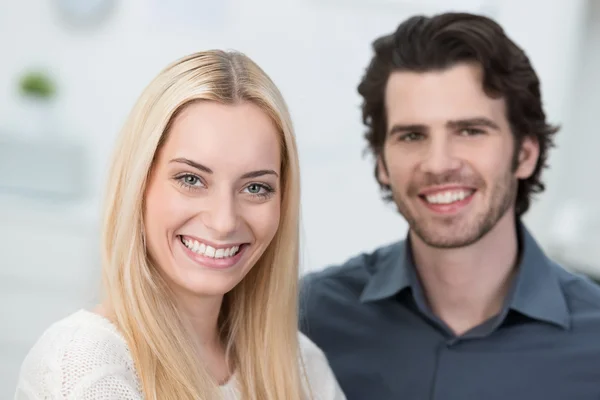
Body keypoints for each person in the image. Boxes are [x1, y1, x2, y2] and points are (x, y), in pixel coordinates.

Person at [299, 11, 600, 400]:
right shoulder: (307, 321)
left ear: (525, 154)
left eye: (470, 131)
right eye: (411, 136)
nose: (439, 163)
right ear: (381, 164)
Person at [15, 50, 345, 400]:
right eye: (191, 179)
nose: (223, 222)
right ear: (140, 183)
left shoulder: (302, 366)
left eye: (255, 187)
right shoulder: (86, 362)